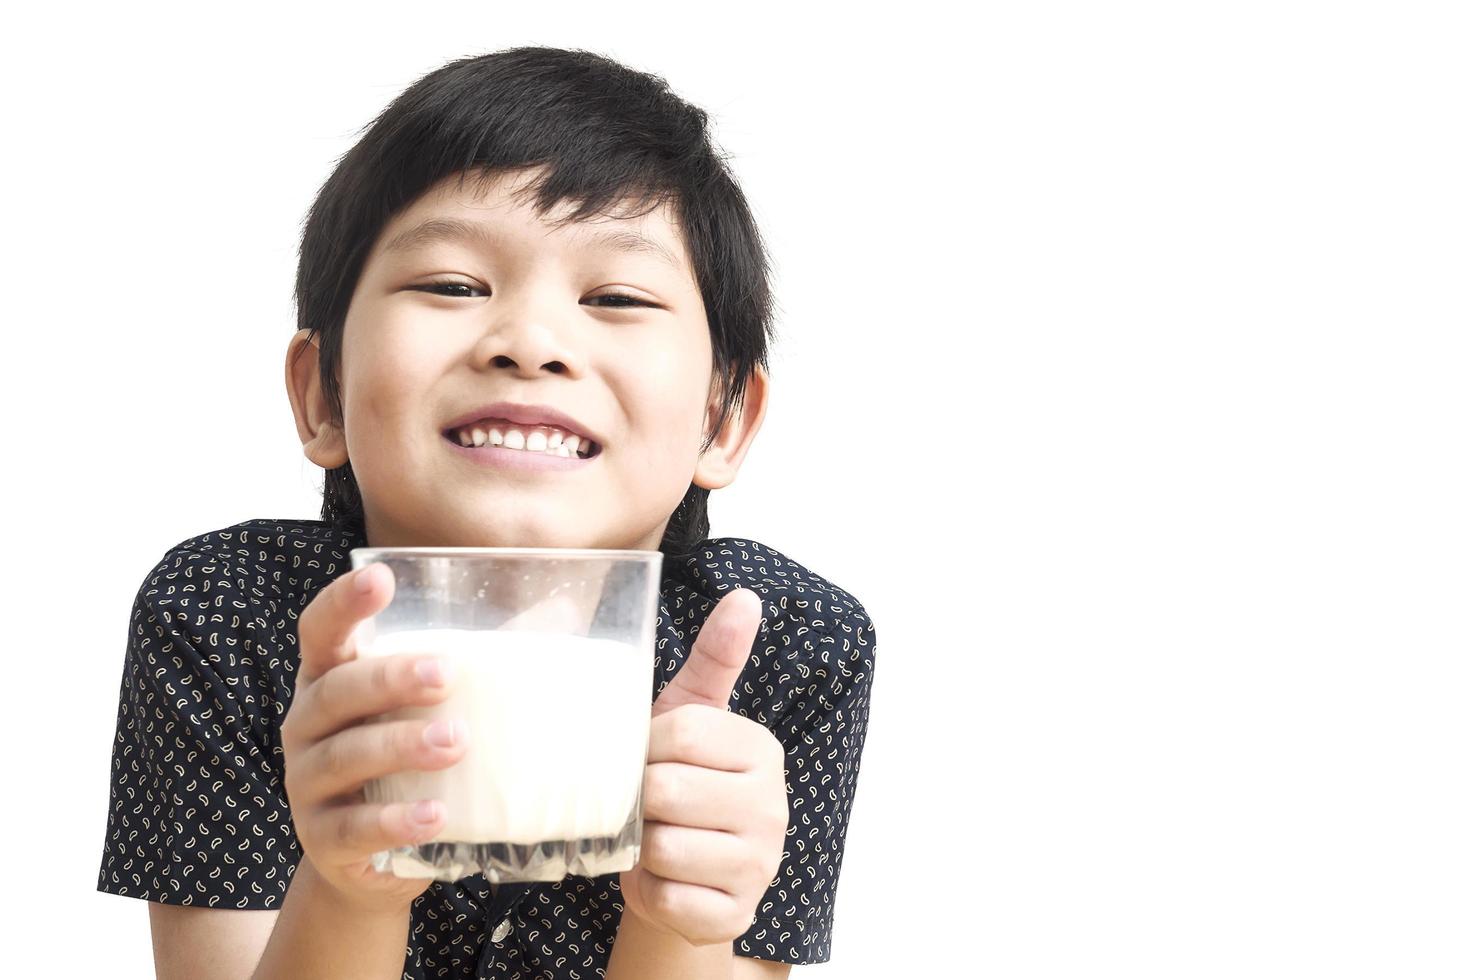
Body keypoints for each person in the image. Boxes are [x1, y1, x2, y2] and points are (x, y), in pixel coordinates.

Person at [96, 45, 876, 980]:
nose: (531, 342)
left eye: (617, 297)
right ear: (322, 395)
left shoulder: (787, 649)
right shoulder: (225, 615)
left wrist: (685, 919)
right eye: (453, 286)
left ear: (725, 418)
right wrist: (349, 886)